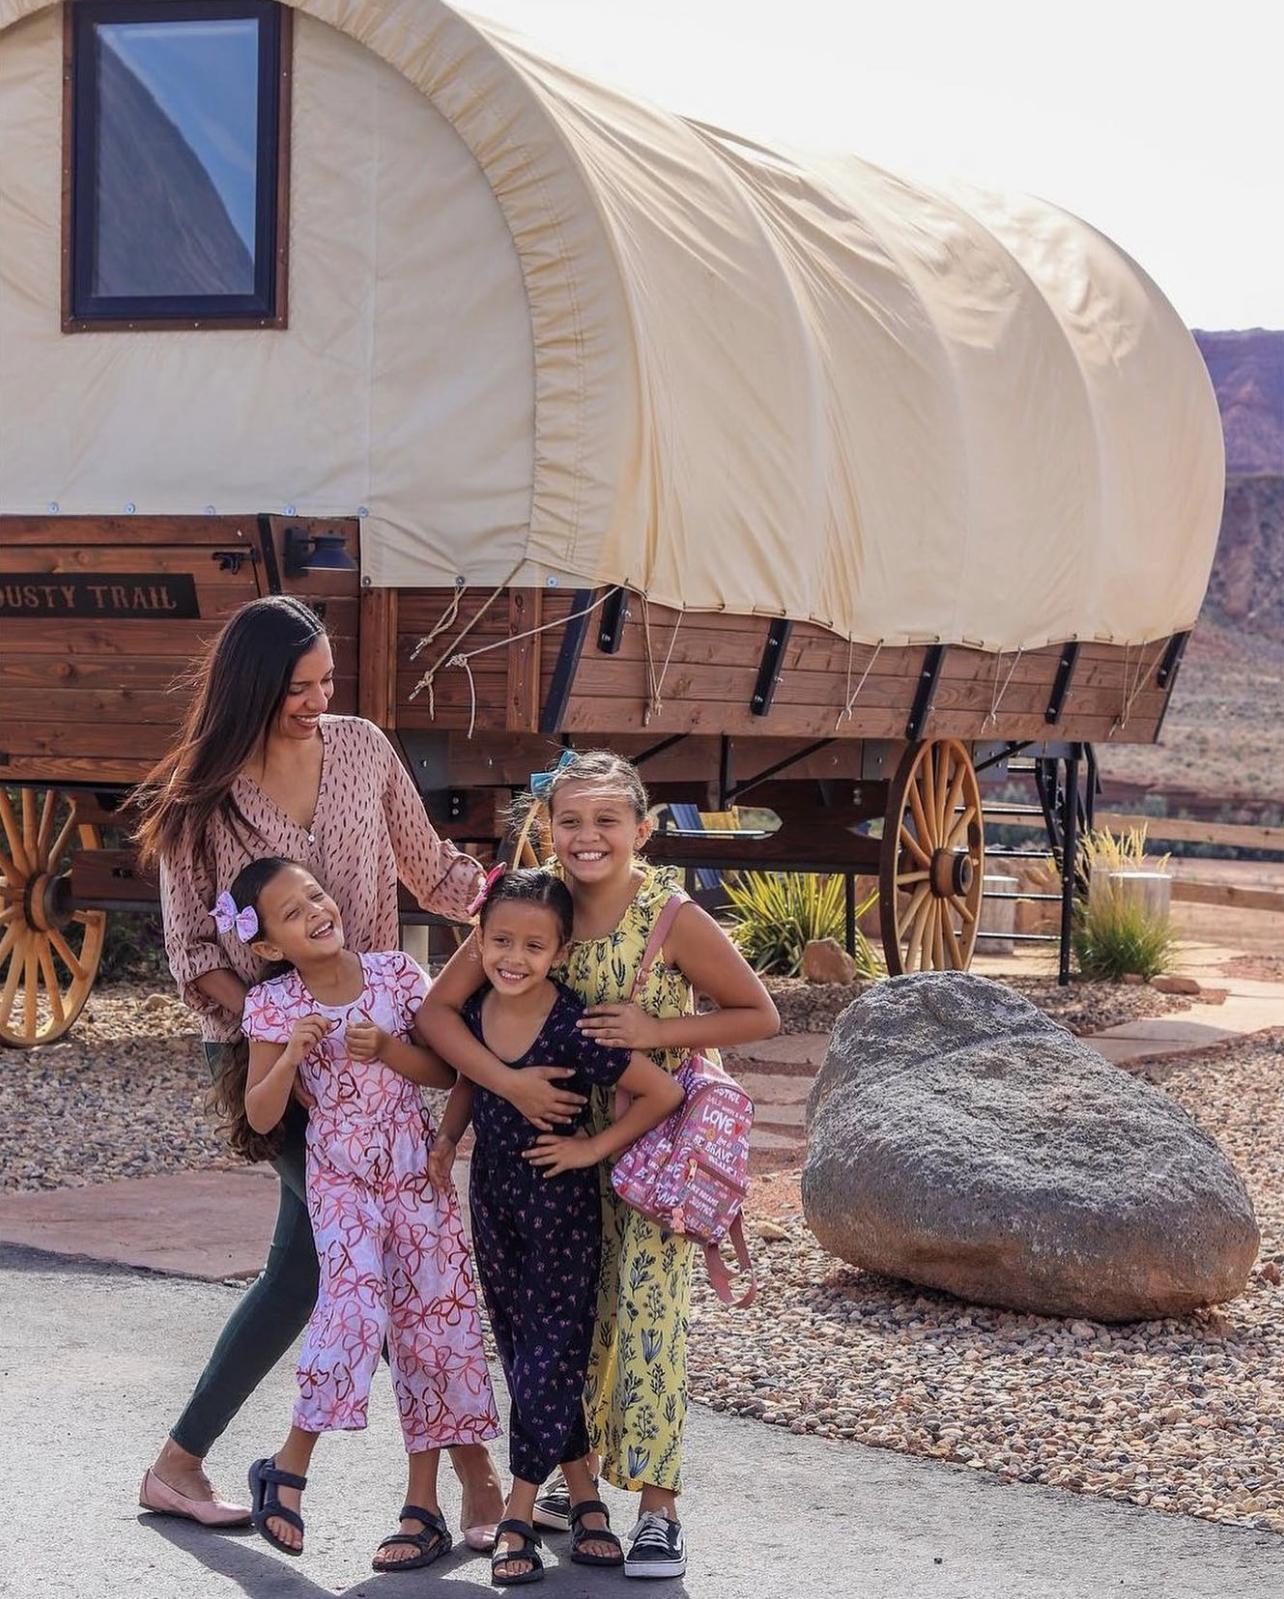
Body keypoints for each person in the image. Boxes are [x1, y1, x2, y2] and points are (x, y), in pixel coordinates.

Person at [133, 596, 542, 1545]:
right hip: (275, 1059)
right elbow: (194, 950)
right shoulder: (203, 797)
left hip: (384, 1051)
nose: (320, 700)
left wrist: (529, 907)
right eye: (299, 687)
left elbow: (434, 871)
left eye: (326, 681)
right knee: (330, 1257)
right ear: (252, 689)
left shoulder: (360, 748)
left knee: (337, 1255)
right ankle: (470, 1477)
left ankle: (190, 1463)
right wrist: (284, 1027)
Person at [420, 749, 780, 1580]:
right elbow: (443, 1009)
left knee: (647, 1318)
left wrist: (657, 1033)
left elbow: (755, 1012)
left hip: (645, 1145)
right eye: (570, 820)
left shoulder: (669, 916)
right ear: (547, 827)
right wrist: (504, 1081)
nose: (586, 837)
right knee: (563, 1324)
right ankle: (569, 1481)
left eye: (607, 820)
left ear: (643, 831)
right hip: (546, 1157)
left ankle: (658, 1509)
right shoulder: (526, 906)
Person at [222, 856, 500, 1569]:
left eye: (315, 892)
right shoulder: (274, 1006)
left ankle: (422, 1506)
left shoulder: (397, 975)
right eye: (291, 911)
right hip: (341, 1182)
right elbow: (260, 1111)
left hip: (414, 1172)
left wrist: (390, 1050)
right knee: (352, 1313)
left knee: (432, 1326)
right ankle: (288, 1468)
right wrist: (289, 1058)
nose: (315, 909)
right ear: (268, 946)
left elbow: (448, 1069)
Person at [425, 868, 684, 1585]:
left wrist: (591, 1149)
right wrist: (447, 1140)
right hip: (494, 1200)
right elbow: (468, 1081)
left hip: (559, 1204)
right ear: (477, 941)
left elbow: (659, 1090)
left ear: (559, 953)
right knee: (520, 1349)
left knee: (549, 1353)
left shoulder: (571, 1023)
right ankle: (589, 1501)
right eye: (500, 939)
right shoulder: (477, 1008)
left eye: (533, 945)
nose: (514, 956)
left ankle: (517, 1512)